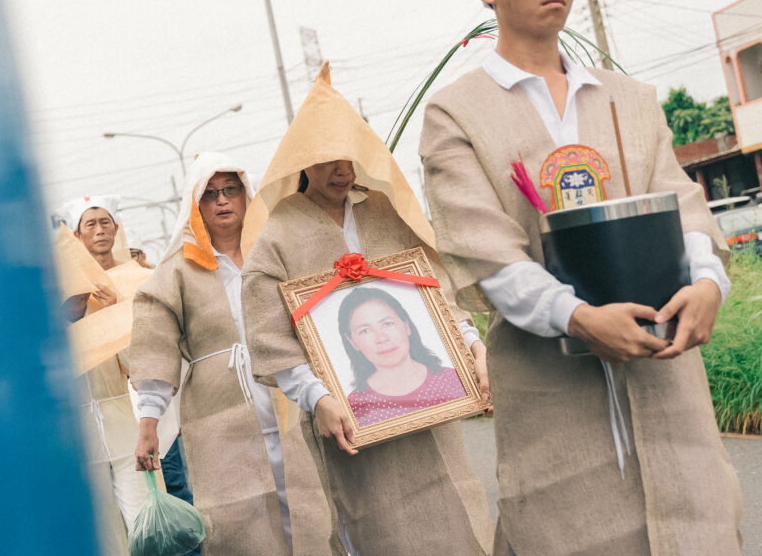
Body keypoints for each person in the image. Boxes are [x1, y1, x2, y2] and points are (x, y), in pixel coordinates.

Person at [418, 0, 744, 555]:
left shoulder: (631, 99)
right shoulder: (457, 114)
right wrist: (576, 316)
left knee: (697, 524)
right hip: (549, 386)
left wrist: (707, 283)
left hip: (662, 367)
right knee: (566, 528)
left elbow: (682, 205)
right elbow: (485, 250)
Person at [241, 64, 495, 556]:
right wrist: (319, 398)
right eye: (328, 158)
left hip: (429, 410)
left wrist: (472, 346)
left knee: (453, 517)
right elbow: (271, 338)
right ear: (302, 162)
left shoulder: (385, 209)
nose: (343, 169)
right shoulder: (278, 235)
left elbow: (433, 292)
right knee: (378, 529)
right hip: (351, 419)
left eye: (350, 155)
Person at [128, 152, 342, 556]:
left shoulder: (277, 250)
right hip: (219, 422)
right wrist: (148, 422)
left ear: (248, 195)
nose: (222, 201)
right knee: (240, 525)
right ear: (195, 207)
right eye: (209, 194)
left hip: (294, 405)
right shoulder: (175, 272)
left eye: (230, 190)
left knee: (312, 509)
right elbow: (154, 349)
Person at [56, 195, 148, 556]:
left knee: (146, 523)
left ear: (117, 228)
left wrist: (114, 313)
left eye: (105, 221)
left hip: (125, 421)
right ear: (76, 237)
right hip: (79, 433)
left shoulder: (132, 281)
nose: (99, 229)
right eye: (89, 224)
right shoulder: (58, 294)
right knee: (104, 536)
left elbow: (138, 360)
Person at [338, 286, 466, 426]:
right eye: (365, 331)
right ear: (352, 342)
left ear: (406, 326)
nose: (381, 338)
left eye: (387, 323)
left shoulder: (453, 380)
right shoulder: (353, 408)